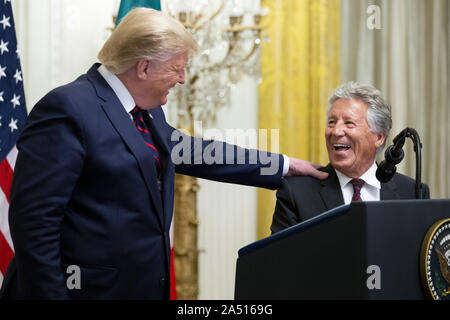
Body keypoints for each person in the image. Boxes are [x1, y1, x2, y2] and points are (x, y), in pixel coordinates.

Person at [0, 8, 327, 299]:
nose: (183, 79)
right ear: (143, 67)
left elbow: (193, 151)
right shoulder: (68, 108)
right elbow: (34, 224)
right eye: (177, 68)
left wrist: (283, 165)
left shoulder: (147, 112)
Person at [270, 82, 430, 234]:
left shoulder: (412, 192)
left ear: (379, 138)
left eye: (349, 123)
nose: (336, 131)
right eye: (332, 122)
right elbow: (279, 260)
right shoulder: (296, 192)